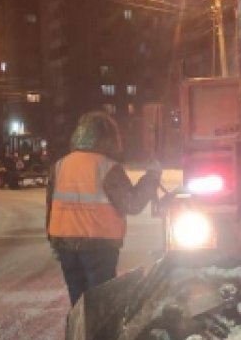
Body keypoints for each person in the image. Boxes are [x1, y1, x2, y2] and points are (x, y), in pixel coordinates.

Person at [46, 111, 161, 306]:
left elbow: (50, 207)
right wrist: (151, 177)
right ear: (107, 139)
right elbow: (132, 204)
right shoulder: (107, 168)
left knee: (79, 305)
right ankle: (100, 337)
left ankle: (80, 336)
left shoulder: (59, 166)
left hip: (65, 245)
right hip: (99, 246)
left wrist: (53, 239)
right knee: (102, 306)